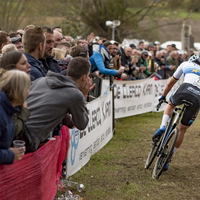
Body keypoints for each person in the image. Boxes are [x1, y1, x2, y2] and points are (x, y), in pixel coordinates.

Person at [25, 57, 95, 152]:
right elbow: (82, 124)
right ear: (84, 78)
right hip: (29, 139)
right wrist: (83, 95)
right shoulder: (75, 94)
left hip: (15, 129)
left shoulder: (41, 80)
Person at [152, 54, 200, 170]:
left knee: (171, 104)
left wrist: (163, 96)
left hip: (184, 89)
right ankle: (169, 157)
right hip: (198, 97)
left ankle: (163, 126)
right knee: (182, 129)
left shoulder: (185, 64)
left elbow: (170, 83)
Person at [0, 69, 31, 164]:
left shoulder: (8, 109)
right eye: (27, 89)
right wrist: (10, 154)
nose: (28, 93)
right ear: (20, 90)